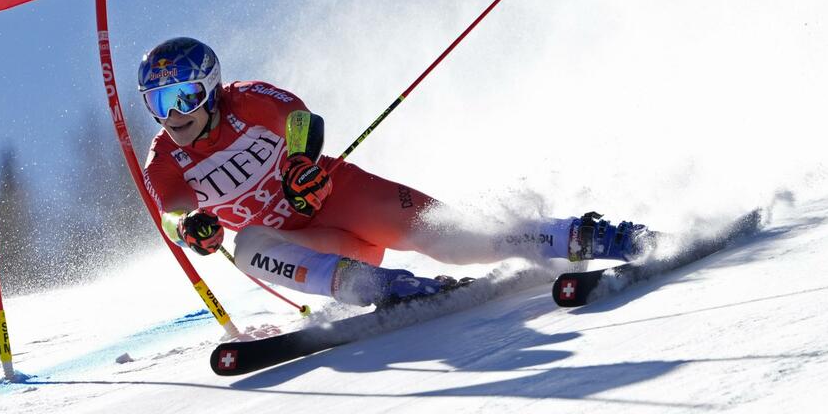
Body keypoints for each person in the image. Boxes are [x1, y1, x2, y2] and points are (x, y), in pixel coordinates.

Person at [139, 37, 650, 307]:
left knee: (452, 238)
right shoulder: (165, 159)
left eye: (184, 95)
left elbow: (300, 118)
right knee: (248, 245)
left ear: (211, 87)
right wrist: (190, 229)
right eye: (158, 102)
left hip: (341, 199)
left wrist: (299, 163)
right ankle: (382, 288)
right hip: (311, 247)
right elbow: (171, 213)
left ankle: (589, 236)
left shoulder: (245, 100)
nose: (174, 113)